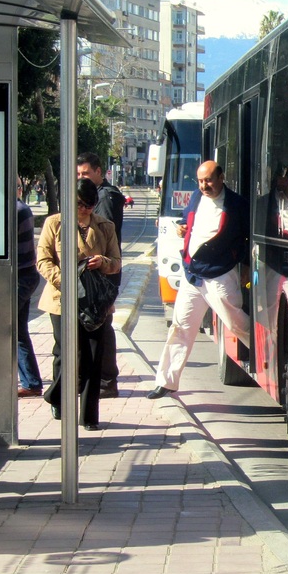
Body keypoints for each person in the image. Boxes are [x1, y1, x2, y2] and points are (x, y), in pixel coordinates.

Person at [148, 161, 252, 399]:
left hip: (220, 275)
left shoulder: (237, 204)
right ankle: (166, 382)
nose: (204, 185)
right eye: (201, 181)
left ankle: (265, 355)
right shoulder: (195, 197)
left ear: (221, 177)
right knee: (180, 327)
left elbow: (247, 237)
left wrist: (245, 264)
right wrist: (181, 229)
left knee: (235, 323)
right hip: (192, 274)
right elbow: (186, 221)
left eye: (208, 180)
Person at [36, 178, 121, 430]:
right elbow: (43, 260)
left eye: (91, 205)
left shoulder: (105, 226)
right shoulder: (55, 223)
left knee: (94, 356)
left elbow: (116, 261)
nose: (86, 210)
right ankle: (58, 398)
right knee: (68, 353)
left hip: (95, 303)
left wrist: (102, 262)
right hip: (62, 300)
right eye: (81, 204)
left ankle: (89, 416)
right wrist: (69, 281)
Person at [77, 153, 125, 398]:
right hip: (95, 275)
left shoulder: (104, 197)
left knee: (101, 326)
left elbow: (105, 237)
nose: (81, 178)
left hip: (101, 275)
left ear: (99, 172)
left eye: (85, 173)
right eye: (78, 174)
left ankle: (106, 380)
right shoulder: (100, 194)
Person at [16, 177, 43, 398]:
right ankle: (31, 382)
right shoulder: (21, 208)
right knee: (18, 331)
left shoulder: (15, 210)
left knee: (1, 326)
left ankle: (30, 381)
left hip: (20, 277)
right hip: (25, 275)